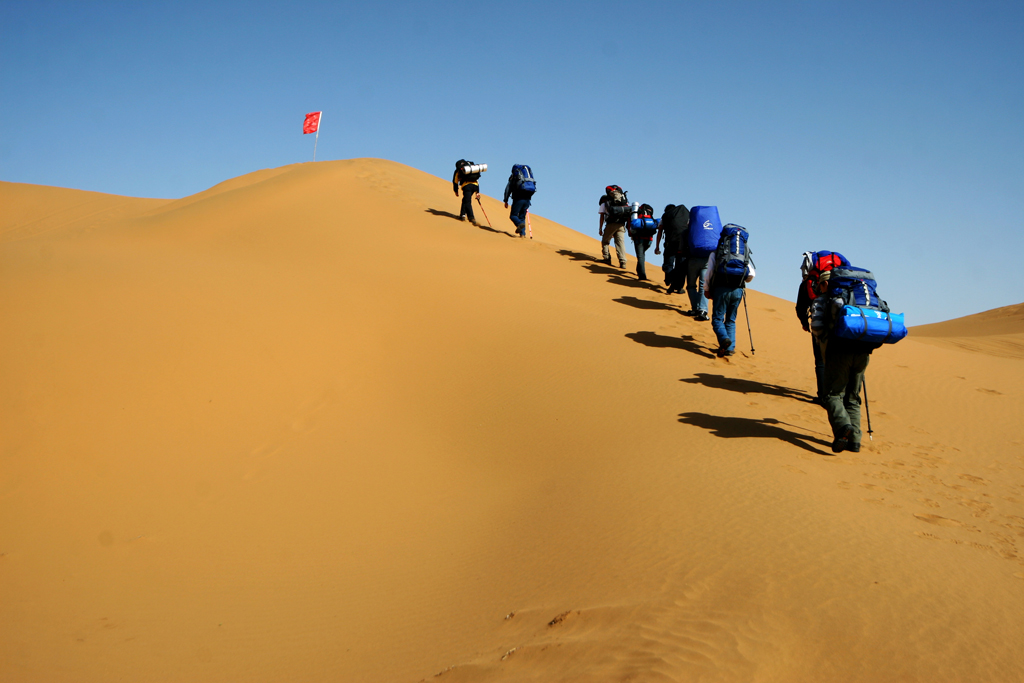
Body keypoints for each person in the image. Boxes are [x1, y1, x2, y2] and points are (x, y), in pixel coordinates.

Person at [795, 251, 849, 403]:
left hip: (819, 325)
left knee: (820, 360)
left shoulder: (808, 283)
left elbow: (800, 307)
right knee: (841, 360)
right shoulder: (843, 281)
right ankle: (842, 395)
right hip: (842, 326)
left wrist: (805, 323)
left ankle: (824, 396)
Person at [703, 224, 754, 356]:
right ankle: (730, 348)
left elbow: (708, 273)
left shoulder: (717, 253)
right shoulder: (744, 253)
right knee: (731, 320)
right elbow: (751, 275)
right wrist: (741, 280)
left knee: (717, 319)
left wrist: (706, 289)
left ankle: (724, 340)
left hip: (721, 288)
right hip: (738, 289)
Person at [685, 206, 723, 321]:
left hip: (692, 259)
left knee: (691, 285)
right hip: (708, 259)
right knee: (703, 284)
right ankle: (703, 309)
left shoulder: (691, 227)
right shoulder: (713, 226)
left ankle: (695, 308)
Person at [655, 204, 689, 294]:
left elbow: (660, 231)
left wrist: (657, 246)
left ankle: (670, 281)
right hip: (684, 246)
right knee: (681, 266)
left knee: (668, 264)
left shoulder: (666, 216)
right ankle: (679, 287)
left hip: (671, 244)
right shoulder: (685, 215)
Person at [598, 185, 630, 268]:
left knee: (605, 241)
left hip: (611, 224)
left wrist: (600, 228)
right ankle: (623, 262)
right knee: (620, 243)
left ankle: (607, 258)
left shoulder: (605, 203)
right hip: (621, 224)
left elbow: (602, 217)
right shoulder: (624, 201)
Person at [628, 204, 659, 281]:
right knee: (641, 255)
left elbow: (630, 225)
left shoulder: (636, 216)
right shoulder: (650, 217)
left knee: (641, 256)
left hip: (639, 239)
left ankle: (642, 275)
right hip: (649, 240)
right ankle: (639, 271)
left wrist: (631, 234)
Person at [503, 164, 536, 237]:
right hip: (527, 199)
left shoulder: (514, 178)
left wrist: (506, 200)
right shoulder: (527, 178)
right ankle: (523, 234)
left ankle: (519, 224)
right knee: (522, 217)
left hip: (518, 198)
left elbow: (508, 189)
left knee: (513, 216)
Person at [453, 160, 480, 224]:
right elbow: (476, 180)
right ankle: (462, 215)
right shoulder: (472, 168)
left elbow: (455, 181)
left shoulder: (458, 170)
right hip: (475, 186)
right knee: (465, 200)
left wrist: (456, 190)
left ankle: (471, 217)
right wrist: (477, 192)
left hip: (467, 186)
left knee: (468, 202)